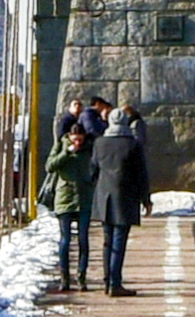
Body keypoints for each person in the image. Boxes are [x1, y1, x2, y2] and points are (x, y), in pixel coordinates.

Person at [91, 92, 156, 290]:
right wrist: (146, 199)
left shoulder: (99, 143)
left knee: (107, 241)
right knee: (119, 241)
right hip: (125, 197)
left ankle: (106, 281)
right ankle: (115, 283)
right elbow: (141, 174)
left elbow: (92, 171)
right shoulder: (133, 144)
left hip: (104, 197)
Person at [50, 93, 111, 287]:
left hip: (84, 198)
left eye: (80, 139)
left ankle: (82, 277)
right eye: (74, 139)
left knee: (84, 240)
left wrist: (92, 182)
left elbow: (98, 167)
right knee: (66, 240)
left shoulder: (90, 149)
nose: (77, 143)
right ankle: (64, 277)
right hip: (65, 198)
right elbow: (50, 166)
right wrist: (67, 154)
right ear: (69, 137)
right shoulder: (61, 146)